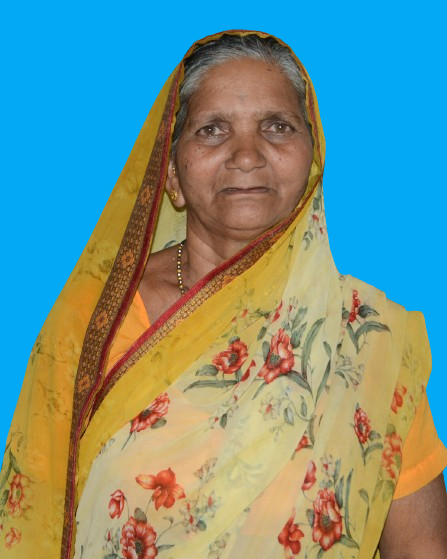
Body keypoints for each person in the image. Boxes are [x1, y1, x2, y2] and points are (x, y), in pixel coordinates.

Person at [1, 30, 446, 559]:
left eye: (277, 126)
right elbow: (35, 524)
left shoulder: (366, 341)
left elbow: (422, 547)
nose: (246, 155)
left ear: (313, 158)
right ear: (171, 173)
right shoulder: (96, 319)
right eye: (212, 130)